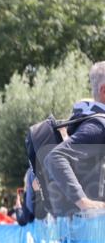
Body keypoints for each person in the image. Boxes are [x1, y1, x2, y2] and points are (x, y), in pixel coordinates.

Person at [44, 61, 105, 215]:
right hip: (91, 229)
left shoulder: (84, 121)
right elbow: (55, 157)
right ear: (104, 90)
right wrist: (84, 202)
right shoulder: (99, 126)